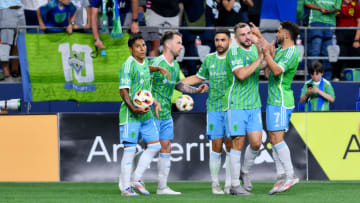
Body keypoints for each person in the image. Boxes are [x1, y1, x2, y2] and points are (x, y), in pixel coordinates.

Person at [150, 30, 208, 195]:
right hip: (151, 112)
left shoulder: (175, 66)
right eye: (179, 43)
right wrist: (149, 103)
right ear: (167, 45)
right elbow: (142, 85)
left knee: (166, 146)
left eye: (182, 43)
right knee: (149, 147)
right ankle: (132, 179)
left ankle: (162, 187)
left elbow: (178, 85)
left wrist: (196, 91)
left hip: (166, 112)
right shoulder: (156, 63)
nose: (182, 46)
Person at [182, 29, 233, 194]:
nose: (219, 43)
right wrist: (178, 82)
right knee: (216, 146)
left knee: (231, 146)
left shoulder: (235, 59)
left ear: (229, 41)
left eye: (223, 40)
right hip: (214, 108)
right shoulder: (210, 59)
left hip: (232, 107)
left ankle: (230, 183)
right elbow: (198, 77)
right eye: (217, 40)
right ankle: (215, 183)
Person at [118, 33, 170, 196]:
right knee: (130, 150)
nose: (142, 48)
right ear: (130, 49)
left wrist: (158, 68)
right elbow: (123, 91)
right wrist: (134, 108)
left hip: (146, 114)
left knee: (155, 145)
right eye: (138, 46)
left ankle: (136, 178)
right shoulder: (128, 65)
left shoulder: (144, 63)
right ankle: (126, 187)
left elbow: (145, 70)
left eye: (144, 45)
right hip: (131, 114)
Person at [254, 21, 301, 195]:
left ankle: (290, 175)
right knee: (273, 138)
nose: (276, 33)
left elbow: (276, 71)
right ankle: (280, 176)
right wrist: (263, 48)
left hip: (281, 99)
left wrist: (267, 53)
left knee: (276, 139)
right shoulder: (280, 51)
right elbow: (266, 71)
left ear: (286, 35)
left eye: (279, 31)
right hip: (273, 98)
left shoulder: (292, 52)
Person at [223, 22, 264, 196]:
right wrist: (262, 58)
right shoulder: (233, 51)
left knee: (256, 143)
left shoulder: (255, 48)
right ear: (236, 37)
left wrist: (261, 42)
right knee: (237, 142)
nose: (247, 37)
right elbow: (241, 74)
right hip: (236, 104)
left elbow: (262, 65)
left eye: (249, 33)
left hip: (254, 104)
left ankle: (244, 171)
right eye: (243, 34)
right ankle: (234, 185)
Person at [305, 0, 341, 80]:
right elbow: (307, 3)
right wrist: (319, 8)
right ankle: (312, 77)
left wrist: (333, 10)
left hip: (330, 24)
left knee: (327, 53)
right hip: (315, 22)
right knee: (315, 51)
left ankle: (326, 79)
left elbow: (338, 8)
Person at [332, 0, 360, 81]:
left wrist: (357, 40)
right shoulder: (336, 4)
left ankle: (356, 78)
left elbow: (359, 22)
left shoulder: (355, 5)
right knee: (341, 56)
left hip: (353, 36)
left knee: (356, 56)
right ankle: (337, 77)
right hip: (340, 35)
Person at [0, 0, 26, 81]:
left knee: (19, 40)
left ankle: (15, 70)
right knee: (5, 41)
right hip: (5, 9)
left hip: (20, 9)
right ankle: (5, 72)